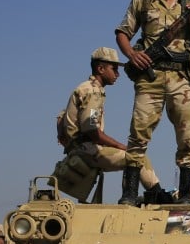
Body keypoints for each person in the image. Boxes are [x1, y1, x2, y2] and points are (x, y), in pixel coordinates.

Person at [115, 0, 190, 206]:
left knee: (188, 138)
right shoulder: (142, 2)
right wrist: (132, 55)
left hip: (182, 80)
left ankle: (185, 194)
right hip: (150, 77)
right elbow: (123, 32)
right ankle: (130, 193)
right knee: (138, 135)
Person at [57, 47, 166, 203]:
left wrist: (65, 139)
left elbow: (61, 117)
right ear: (101, 69)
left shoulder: (84, 87)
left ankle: (146, 195)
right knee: (135, 157)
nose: (117, 74)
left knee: (132, 156)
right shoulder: (93, 92)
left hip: (79, 149)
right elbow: (92, 130)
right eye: (113, 68)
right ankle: (156, 196)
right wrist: (122, 146)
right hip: (88, 150)